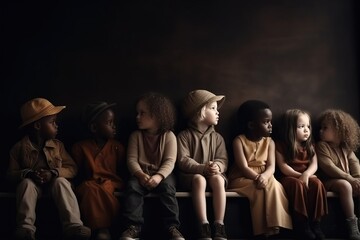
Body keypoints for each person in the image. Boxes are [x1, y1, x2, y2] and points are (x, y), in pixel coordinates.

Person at [7, 98, 91, 240]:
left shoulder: (58, 146)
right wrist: (28, 174)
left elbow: (72, 168)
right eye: (52, 123)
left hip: (54, 185)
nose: (56, 126)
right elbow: (10, 174)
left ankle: (74, 227)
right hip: (34, 187)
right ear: (38, 126)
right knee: (26, 184)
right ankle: (25, 229)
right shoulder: (19, 148)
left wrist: (53, 173)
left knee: (62, 182)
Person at [119, 92, 185, 240]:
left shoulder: (169, 136)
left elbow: (170, 161)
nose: (137, 117)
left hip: (163, 175)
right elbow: (131, 160)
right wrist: (140, 175)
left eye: (142, 113)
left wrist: (158, 176)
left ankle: (172, 227)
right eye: (137, 113)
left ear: (157, 116)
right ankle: (133, 227)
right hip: (140, 174)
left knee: (168, 189)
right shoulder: (135, 136)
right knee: (132, 187)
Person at [227, 99, 292, 239]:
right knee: (259, 188)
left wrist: (264, 176)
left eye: (270, 121)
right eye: (266, 122)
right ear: (251, 125)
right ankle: (263, 230)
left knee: (274, 185)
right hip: (242, 177)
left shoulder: (270, 142)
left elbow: (271, 166)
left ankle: (275, 226)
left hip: (265, 175)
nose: (270, 125)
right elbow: (243, 167)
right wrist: (257, 178)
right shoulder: (239, 141)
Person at [177, 89, 228, 240]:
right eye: (213, 108)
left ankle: (219, 225)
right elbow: (183, 160)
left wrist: (217, 166)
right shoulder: (184, 136)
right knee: (199, 179)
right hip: (190, 177)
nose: (217, 112)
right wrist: (202, 168)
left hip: (212, 175)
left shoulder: (217, 138)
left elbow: (223, 159)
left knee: (218, 179)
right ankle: (203, 225)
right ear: (200, 112)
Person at [72, 102, 127, 240]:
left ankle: (102, 228)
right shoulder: (80, 148)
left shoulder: (117, 147)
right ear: (94, 127)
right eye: (109, 122)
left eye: (114, 122)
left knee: (103, 187)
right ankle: (103, 228)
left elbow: (122, 173)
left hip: (111, 184)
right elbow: (77, 174)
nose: (114, 126)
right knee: (89, 188)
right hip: (88, 185)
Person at [275, 109, 327, 240]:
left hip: (307, 176)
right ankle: (301, 224)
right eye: (301, 126)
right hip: (288, 178)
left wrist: (307, 175)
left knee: (318, 184)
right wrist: (300, 176)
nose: (306, 130)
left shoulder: (310, 146)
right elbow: (283, 167)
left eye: (308, 126)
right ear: (290, 129)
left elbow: (314, 165)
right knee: (297, 184)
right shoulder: (281, 145)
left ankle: (316, 223)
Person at [316, 109, 360, 240]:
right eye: (321, 128)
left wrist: (357, 179)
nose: (320, 131)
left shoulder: (346, 148)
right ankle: (352, 223)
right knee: (345, 185)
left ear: (339, 130)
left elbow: (355, 164)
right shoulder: (322, 146)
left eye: (325, 128)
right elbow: (328, 167)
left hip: (348, 180)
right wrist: (350, 178)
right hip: (328, 181)